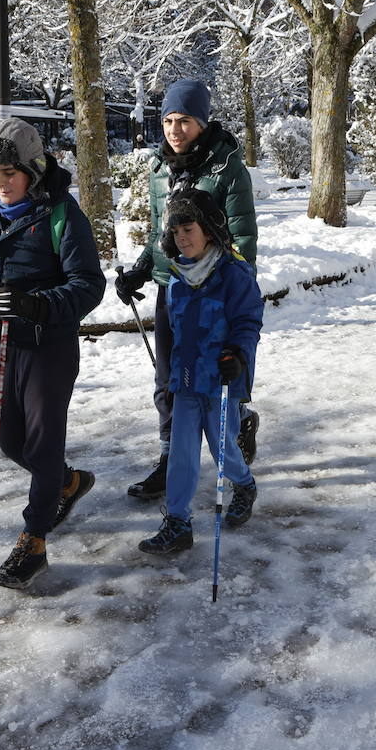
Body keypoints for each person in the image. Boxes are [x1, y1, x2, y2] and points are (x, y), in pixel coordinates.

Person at [0, 118, 106, 590]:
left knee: (42, 448)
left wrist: (37, 305)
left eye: (10, 172)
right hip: (2, 346)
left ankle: (34, 539)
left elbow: (88, 285)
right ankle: (66, 482)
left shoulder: (62, 214)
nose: (0, 182)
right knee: (10, 442)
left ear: (33, 170)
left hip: (48, 348)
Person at [113, 80, 260, 501]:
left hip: (215, 290)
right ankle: (168, 458)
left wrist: (237, 287)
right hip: (172, 289)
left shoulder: (227, 168)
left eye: (185, 121)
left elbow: (243, 236)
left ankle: (239, 419)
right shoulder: (159, 168)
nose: (175, 130)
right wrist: (142, 269)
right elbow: (162, 234)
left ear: (202, 122)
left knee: (217, 377)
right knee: (170, 379)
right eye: (168, 121)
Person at [138, 188, 263, 554]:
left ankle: (244, 484)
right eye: (176, 232)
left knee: (222, 446)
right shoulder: (177, 277)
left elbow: (248, 321)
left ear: (208, 229)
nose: (182, 237)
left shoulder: (233, 274)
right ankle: (177, 521)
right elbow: (178, 330)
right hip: (188, 378)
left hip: (223, 376)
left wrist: (238, 353)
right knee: (181, 450)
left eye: (188, 229)